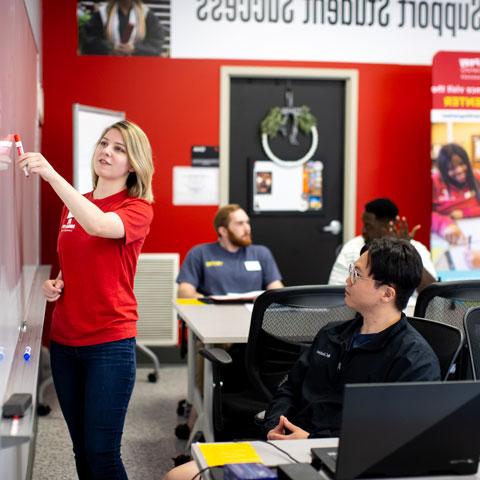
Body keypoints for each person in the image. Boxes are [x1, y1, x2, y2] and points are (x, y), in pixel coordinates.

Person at [164, 237, 441, 480]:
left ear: (387, 293)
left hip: (335, 461)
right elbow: (289, 387)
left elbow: (394, 442)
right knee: (178, 476)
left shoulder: (414, 361)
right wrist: (275, 424)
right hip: (284, 445)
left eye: (357, 275)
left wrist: (311, 441)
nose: (348, 281)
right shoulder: (332, 334)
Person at [17, 120, 154, 479]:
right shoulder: (75, 205)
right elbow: (74, 264)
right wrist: (56, 285)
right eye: (104, 143)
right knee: (81, 450)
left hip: (109, 344)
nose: (107, 152)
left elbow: (98, 225)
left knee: (102, 453)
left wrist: (50, 174)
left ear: (133, 163)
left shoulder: (137, 208)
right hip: (64, 343)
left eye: (119, 148)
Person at [329, 198, 436, 294]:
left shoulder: (416, 249)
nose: (363, 231)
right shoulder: (352, 247)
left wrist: (406, 253)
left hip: (412, 313)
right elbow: (334, 291)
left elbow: (432, 294)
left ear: (389, 226)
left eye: (368, 226)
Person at [176, 204, 284, 297]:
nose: (247, 228)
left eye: (247, 222)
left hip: (250, 316)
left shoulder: (261, 253)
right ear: (223, 231)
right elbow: (184, 292)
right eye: (240, 223)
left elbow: (275, 288)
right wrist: (207, 302)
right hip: (212, 315)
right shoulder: (199, 253)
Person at [432, 143, 480, 244]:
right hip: (445, 235)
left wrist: (464, 213)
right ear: (443, 171)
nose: (459, 170)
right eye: (452, 168)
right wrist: (445, 225)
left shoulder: (476, 177)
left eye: (462, 164)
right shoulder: (434, 182)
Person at [80, 0, 164, 56]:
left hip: (138, 70)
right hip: (107, 68)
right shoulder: (102, 14)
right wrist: (110, 48)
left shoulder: (146, 14)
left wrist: (135, 49)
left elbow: (156, 45)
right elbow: (88, 42)